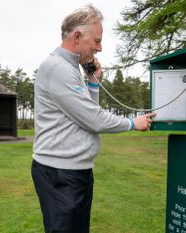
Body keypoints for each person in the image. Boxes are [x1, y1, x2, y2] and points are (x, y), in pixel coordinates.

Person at [31, 4, 155, 233]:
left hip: (75, 171)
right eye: (96, 41)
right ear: (77, 36)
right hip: (60, 173)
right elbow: (93, 118)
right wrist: (132, 123)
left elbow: (86, 110)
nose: (100, 48)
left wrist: (92, 81)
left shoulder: (71, 69)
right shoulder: (58, 68)